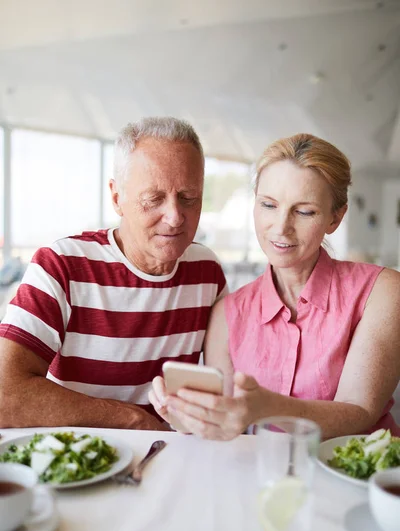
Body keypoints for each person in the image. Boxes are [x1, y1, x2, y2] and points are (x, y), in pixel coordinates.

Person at [150, 133, 400, 440]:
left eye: (304, 211)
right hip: (262, 478)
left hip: (356, 478)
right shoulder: (227, 314)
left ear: (336, 218)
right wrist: (188, 417)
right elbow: (229, 426)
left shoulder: (381, 291)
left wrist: (265, 407)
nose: (281, 227)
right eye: (268, 205)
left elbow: (360, 410)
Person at [0, 117, 227, 430]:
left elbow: (222, 393)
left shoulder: (208, 271)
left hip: (167, 457)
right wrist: (135, 420)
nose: (175, 217)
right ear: (117, 197)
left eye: (189, 198)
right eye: (154, 199)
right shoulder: (62, 265)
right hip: (78, 462)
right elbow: (5, 395)